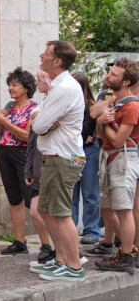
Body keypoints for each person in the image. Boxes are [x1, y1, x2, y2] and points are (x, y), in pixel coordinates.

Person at [29, 40, 86, 282]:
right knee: (46, 210)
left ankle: (74, 267)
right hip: (56, 156)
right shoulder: (59, 86)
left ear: (57, 61)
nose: (41, 55)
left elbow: (38, 124)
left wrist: (41, 120)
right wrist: (41, 118)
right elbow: (37, 115)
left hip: (63, 157)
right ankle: (61, 260)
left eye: (46, 53)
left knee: (61, 214)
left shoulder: (64, 88)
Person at [92, 59, 139, 273]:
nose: (108, 76)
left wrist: (105, 123)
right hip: (111, 157)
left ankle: (127, 255)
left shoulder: (132, 106)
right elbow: (99, 134)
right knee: (110, 208)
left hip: (123, 158)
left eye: (114, 74)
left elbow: (119, 140)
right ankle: (126, 251)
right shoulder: (113, 103)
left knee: (124, 209)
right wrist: (101, 123)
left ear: (126, 81)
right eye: (110, 72)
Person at [0, 67, 38, 255]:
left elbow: (27, 136)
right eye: (9, 85)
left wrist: (4, 122)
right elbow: (0, 133)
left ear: (26, 88)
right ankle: (19, 241)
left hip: (23, 154)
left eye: (15, 85)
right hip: (5, 151)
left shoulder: (34, 109)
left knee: (32, 199)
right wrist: (0, 121)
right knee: (14, 198)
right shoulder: (10, 106)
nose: (11, 88)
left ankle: (46, 244)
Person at [24, 69, 56, 265]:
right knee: (35, 211)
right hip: (38, 166)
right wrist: (28, 169)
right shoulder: (41, 106)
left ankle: (65, 250)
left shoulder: (58, 103)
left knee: (56, 213)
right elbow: (31, 140)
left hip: (55, 163)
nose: (36, 84)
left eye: (39, 80)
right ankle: (47, 246)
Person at [71, 73, 101, 245]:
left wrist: (82, 136)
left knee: (90, 193)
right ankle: (71, 229)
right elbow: (80, 135)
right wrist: (82, 136)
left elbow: (85, 132)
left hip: (88, 152)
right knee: (72, 193)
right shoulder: (70, 105)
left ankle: (92, 231)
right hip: (75, 152)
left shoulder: (90, 107)